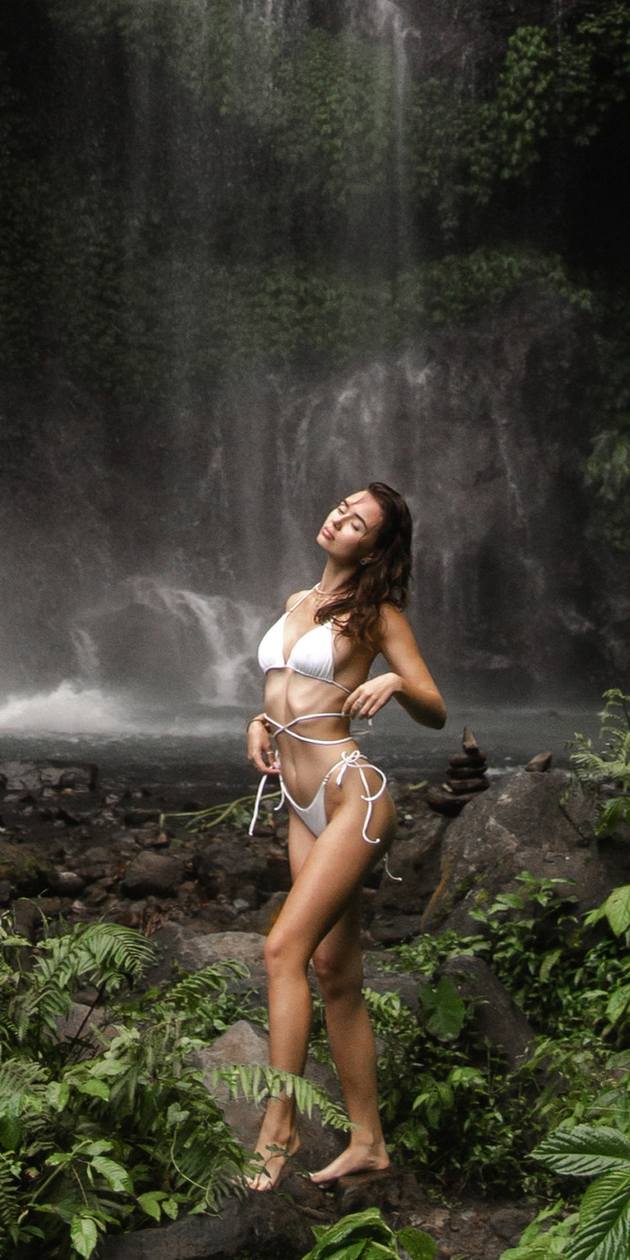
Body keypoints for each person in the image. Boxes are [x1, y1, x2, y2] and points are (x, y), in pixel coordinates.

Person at [243, 479, 445, 1188]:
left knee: (281, 951)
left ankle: (280, 1129)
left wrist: (392, 684)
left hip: (349, 794)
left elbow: (435, 708)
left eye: (357, 521)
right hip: (299, 800)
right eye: (340, 507)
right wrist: (260, 722)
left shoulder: (378, 614)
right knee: (337, 975)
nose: (339, 518)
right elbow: (287, 690)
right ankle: (369, 1142)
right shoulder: (300, 601)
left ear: (376, 545)